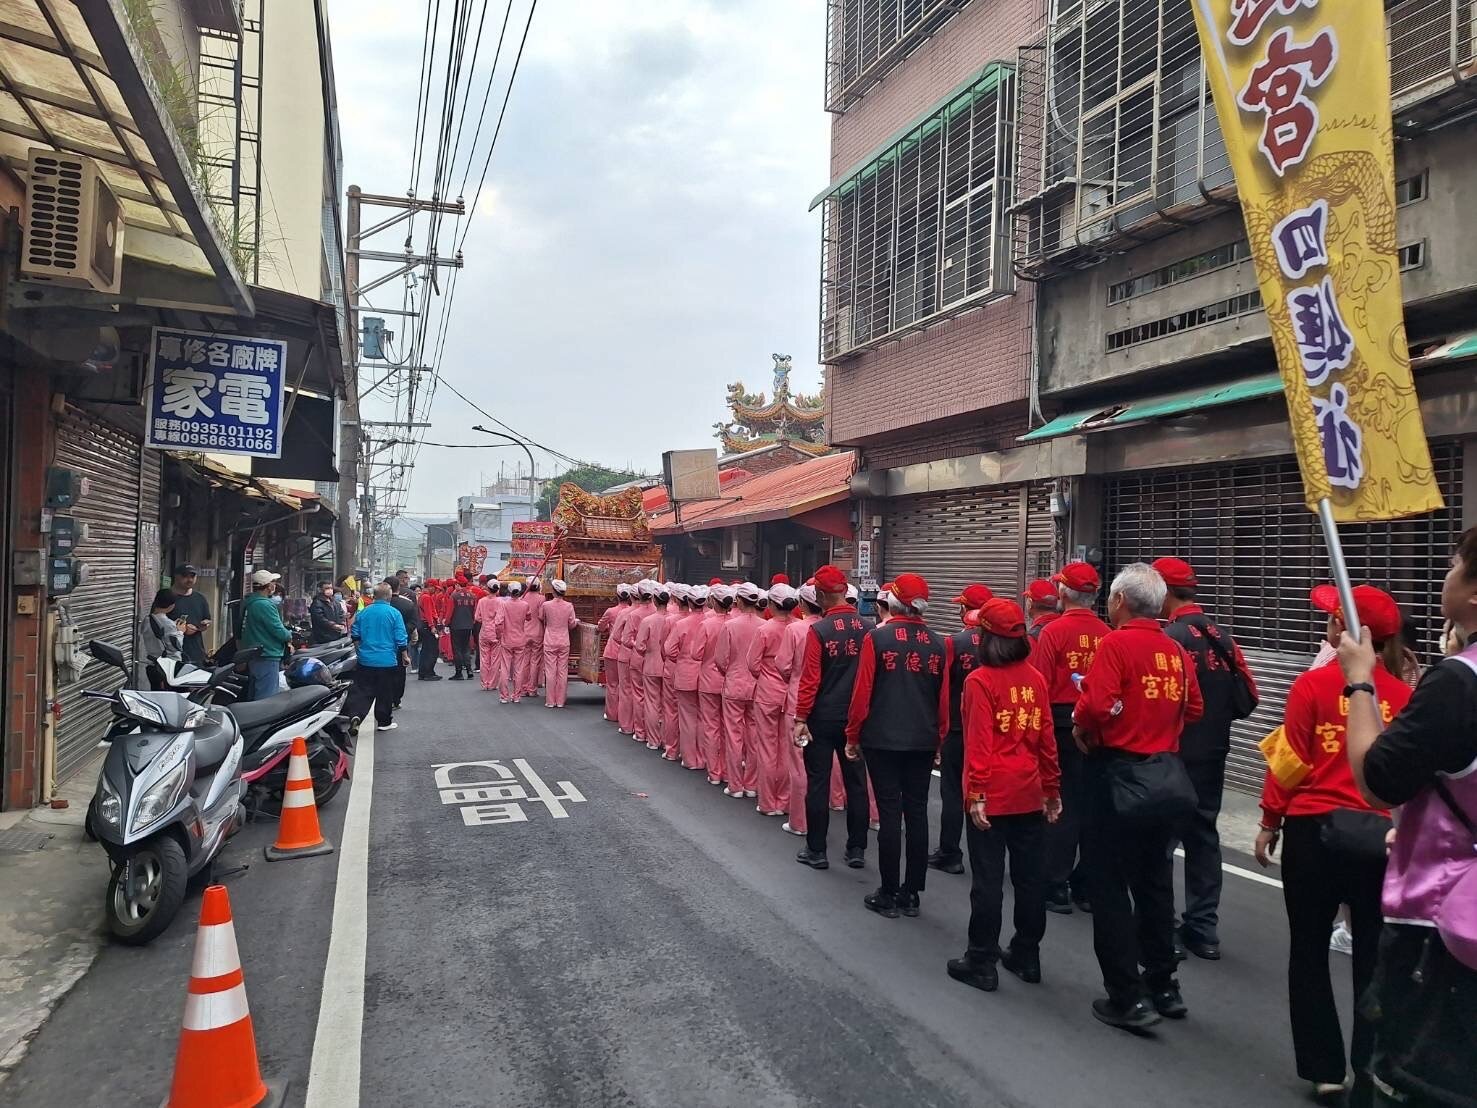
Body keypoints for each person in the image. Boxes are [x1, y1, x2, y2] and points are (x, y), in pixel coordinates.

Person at [1257, 585, 1413, 1106]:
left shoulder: (1312, 685)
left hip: (1313, 832)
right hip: (1380, 840)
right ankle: (1369, 1068)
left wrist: (1269, 820)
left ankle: (1325, 1069)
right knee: (1374, 956)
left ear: (1347, 634)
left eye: (1329, 620)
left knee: (1307, 947)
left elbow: (1290, 761)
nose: (1323, 626)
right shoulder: (1406, 697)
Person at [1340, 530, 1477, 1108]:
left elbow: (1378, 776)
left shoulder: (1459, 682)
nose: (1444, 575)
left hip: (1445, 923)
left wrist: (1360, 681)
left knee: (1419, 1082)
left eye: (1454, 565)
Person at [1073, 562, 1203, 1031]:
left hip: (1117, 775)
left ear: (1121, 602)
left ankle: (1126, 996)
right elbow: (1194, 707)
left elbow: (1096, 704)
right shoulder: (1175, 651)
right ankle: (1164, 985)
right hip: (1166, 778)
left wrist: (1086, 727)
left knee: (1108, 885)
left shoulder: (1116, 644)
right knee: (1155, 883)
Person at [947, 598, 1061, 993]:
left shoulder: (980, 681)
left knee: (989, 881)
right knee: (1030, 879)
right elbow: (1047, 738)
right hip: (1029, 791)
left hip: (991, 796)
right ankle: (1027, 955)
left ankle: (981, 960)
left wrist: (976, 793)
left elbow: (979, 745)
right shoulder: (1035, 679)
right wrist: (1052, 788)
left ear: (984, 637)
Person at [1153, 556, 1259, 962]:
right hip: (1214, 751)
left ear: (1163, 591)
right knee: (1203, 836)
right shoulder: (1221, 636)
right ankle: (1203, 928)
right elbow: (1247, 694)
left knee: (1160, 838)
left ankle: (1158, 922)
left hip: (1173, 753)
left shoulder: (1171, 638)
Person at [843, 572, 950, 919]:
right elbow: (943, 700)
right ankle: (912, 892)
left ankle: (888, 891)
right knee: (916, 813)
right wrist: (940, 739)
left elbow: (862, 695)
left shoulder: (879, 639)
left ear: (892, 603)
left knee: (890, 812)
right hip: (922, 738)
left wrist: (853, 735)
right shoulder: (937, 643)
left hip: (882, 738)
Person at [1031, 562, 1112, 915]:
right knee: (1090, 804)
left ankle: (1055, 882)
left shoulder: (1054, 632)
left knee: (1059, 802)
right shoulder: (1108, 632)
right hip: (1097, 726)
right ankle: (1088, 884)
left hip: (1061, 723)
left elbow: (1041, 684)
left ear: (1063, 593)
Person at [793, 566, 872, 869]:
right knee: (856, 783)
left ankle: (817, 850)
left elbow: (810, 679)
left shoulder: (819, 630)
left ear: (822, 596)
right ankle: (856, 849)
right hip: (856, 718)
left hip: (822, 718)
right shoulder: (867, 629)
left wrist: (801, 716)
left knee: (818, 782)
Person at [931, 583, 992, 876]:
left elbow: (942, 690)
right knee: (985, 792)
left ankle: (950, 852)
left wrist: (939, 731)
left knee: (953, 792)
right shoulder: (1004, 644)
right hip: (992, 732)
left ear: (967, 610)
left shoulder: (954, 643)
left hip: (957, 728)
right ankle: (986, 855)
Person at [748, 582, 799, 816]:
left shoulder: (765, 630)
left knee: (767, 747)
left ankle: (768, 802)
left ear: (771, 604)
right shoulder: (799, 628)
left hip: (768, 693)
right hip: (790, 694)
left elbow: (753, 664)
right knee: (788, 749)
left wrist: (767, 677)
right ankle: (787, 800)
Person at [715, 582, 766, 798]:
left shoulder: (730, 625)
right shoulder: (764, 625)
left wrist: (731, 672)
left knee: (733, 735)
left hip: (734, 684)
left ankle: (735, 784)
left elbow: (721, 659)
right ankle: (752, 784)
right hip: (757, 686)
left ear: (740, 601)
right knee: (754, 735)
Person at [782, 582, 824, 837]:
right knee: (823, 763)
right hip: (826, 700)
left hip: (798, 698)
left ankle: (800, 819)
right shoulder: (828, 628)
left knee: (799, 761)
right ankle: (824, 812)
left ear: (803, 604)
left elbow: (784, 665)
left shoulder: (795, 629)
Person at [346, 583, 410, 732]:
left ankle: (356, 715)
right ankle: (383, 722)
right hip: (387, 660)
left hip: (365, 660)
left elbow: (355, 634)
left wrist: (359, 651)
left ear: (374, 596)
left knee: (363, 690)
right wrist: (405, 656)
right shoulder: (394, 613)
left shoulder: (364, 613)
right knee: (385, 692)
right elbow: (400, 637)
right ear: (389, 596)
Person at [666, 585, 708, 770]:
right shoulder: (712, 621)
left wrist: (682, 659)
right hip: (708, 675)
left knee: (688, 717)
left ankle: (690, 758)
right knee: (704, 718)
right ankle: (704, 757)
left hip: (686, 674)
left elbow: (669, 650)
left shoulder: (680, 624)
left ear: (690, 602)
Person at [693, 585, 732, 782]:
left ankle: (714, 771)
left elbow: (695, 653)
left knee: (711, 726)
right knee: (730, 728)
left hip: (709, 679)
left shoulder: (707, 624)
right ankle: (727, 771)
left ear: (714, 602)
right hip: (730, 680)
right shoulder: (736, 623)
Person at [240, 569, 292, 700]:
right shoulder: (265, 605)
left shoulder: (249, 602)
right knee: (266, 699)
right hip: (267, 654)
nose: (275, 585)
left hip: (254, 654)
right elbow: (279, 631)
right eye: (273, 582)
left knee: (255, 695)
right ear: (269, 586)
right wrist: (289, 634)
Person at [635, 583, 674, 751]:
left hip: (651, 664)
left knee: (652, 702)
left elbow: (639, 646)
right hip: (669, 667)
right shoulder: (674, 620)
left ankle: (653, 739)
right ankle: (668, 740)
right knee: (668, 705)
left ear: (655, 600)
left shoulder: (648, 621)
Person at [539, 580, 580, 708]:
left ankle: (550, 701)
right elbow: (572, 624)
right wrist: (576, 621)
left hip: (550, 639)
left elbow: (541, 617)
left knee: (550, 671)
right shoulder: (569, 606)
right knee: (562, 671)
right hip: (563, 640)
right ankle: (561, 701)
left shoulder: (546, 605)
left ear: (553, 591)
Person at [385, 578, 418, 712]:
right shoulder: (408, 604)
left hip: (383, 642)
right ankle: (396, 699)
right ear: (398, 587)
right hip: (402, 641)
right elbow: (414, 622)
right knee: (399, 670)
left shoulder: (378, 605)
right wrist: (403, 631)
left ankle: (385, 698)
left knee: (384, 671)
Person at [599, 586, 630, 722]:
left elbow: (601, 626)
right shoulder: (634, 612)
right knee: (626, 686)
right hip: (629, 652)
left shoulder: (611, 611)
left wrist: (606, 628)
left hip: (613, 650)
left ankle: (612, 714)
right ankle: (626, 717)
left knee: (612, 684)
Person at [495, 580, 530, 703]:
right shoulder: (525, 605)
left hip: (507, 639)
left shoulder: (504, 605)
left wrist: (499, 635)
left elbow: (498, 622)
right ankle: (516, 695)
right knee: (518, 669)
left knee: (505, 668)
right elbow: (529, 617)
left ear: (509, 592)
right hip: (520, 639)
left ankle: (504, 696)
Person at [170, 565, 212, 665]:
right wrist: (180, 629)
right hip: (173, 655)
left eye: (192, 576)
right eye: (185, 576)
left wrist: (203, 626)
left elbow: (207, 619)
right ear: (176, 577)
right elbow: (156, 622)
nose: (189, 579)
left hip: (196, 653)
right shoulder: (167, 597)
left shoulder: (200, 598)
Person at [447, 576, 478, 681]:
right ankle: (469, 671)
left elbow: (449, 612)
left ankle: (459, 672)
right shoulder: (473, 596)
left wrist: (446, 623)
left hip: (456, 625)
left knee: (457, 649)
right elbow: (474, 612)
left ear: (457, 585)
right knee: (466, 648)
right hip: (468, 625)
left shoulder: (454, 596)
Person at [475, 582, 503, 692]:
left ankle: (484, 683)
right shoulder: (500, 602)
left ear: (488, 588)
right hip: (496, 633)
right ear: (497, 590)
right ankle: (492, 683)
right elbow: (500, 619)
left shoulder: (482, 601)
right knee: (495, 659)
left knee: (484, 658)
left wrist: (486, 621)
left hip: (484, 631)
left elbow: (477, 617)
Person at [521, 578, 547, 699]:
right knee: (535, 662)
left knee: (525, 661)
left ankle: (523, 688)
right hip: (537, 632)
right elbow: (542, 616)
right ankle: (532, 689)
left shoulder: (523, 597)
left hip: (525, 632)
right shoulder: (542, 599)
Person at [141, 588, 183, 660]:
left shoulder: (147, 619)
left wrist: (173, 624)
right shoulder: (168, 624)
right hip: (167, 665)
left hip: (152, 661)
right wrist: (180, 631)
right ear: (171, 606)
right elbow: (176, 646)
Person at [417, 579, 444, 681]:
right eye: (435, 588)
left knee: (425, 650)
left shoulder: (421, 597)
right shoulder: (427, 598)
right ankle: (429, 672)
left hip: (423, 625)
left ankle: (423, 672)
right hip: (428, 625)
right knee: (432, 650)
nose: (435, 590)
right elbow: (429, 613)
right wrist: (432, 626)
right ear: (430, 586)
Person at [309, 580, 346, 645]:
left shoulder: (335, 602)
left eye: (331, 588)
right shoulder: (317, 603)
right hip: (322, 638)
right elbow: (320, 619)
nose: (330, 590)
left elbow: (341, 614)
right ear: (320, 590)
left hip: (336, 636)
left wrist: (341, 624)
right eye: (327, 588)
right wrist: (333, 625)